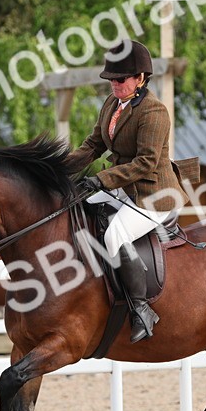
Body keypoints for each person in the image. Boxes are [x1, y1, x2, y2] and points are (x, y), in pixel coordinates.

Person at [67, 40, 190, 342]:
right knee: (77, 209)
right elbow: (93, 146)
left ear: (140, 78)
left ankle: (142, 309)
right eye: (111, 80)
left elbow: (146, 163)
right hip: (124, 188)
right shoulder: (112, 105)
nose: (115, 85)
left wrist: (101, 180)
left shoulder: (154, 112)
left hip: (154, 195)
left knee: (114, 235)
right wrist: (59, 168)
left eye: (120, 79)